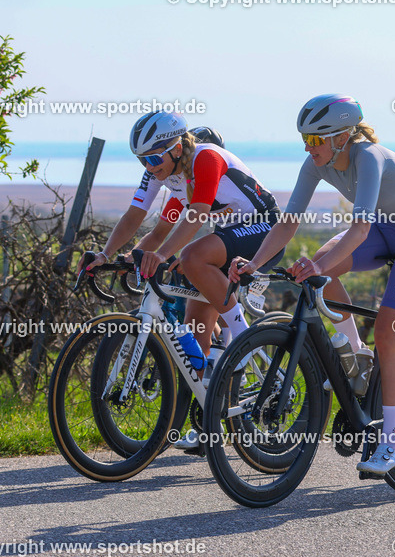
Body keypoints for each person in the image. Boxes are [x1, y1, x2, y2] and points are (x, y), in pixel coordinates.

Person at [230, 94, 395, 475]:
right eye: (305, 141)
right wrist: (255, 263)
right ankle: (358, 356)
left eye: (315, 140)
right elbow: (287, 221)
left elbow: (359, 228)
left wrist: (317, 262)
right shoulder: (317, 162)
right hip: (381, 229)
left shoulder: (369, 156)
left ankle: (391, 443)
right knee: (319, 276)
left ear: (342, 136)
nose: (308, 148)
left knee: (388, 331)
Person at [84, 111, 283, 449]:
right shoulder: (171, 180)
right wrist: (111, 256)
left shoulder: (205, 158)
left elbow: (197, 215)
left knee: (190, 257)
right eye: (141, 160)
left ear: (177, 147)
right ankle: (211, 422)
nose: (149, 166)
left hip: (265, 232)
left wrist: (163, 256)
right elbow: (146, 222)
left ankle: (243, 336)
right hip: (230, 239)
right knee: (195, 330)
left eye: (154, 158)